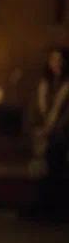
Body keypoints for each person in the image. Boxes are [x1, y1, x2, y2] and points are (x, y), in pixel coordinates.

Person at [31, 47, 69, 219]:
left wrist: (53, 129)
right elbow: (36, 110)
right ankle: (43, 207)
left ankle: (56, 209)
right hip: (43, 134)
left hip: (61, 135)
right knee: (41, 170)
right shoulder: (43, 85)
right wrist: (39, 128)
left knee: (56, 166)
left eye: (60, 60)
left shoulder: (66, 85)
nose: (57, 63)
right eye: (53, 60)